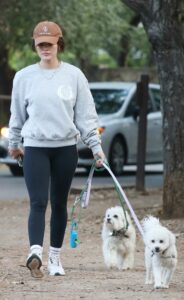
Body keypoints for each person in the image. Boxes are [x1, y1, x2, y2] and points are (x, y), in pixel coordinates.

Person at [8, 20, 105, 278]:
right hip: (35, 147)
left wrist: (96, 148)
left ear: (58, 43)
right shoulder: (24, 76)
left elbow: (86, 116)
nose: (45, 48)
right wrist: (14, 144)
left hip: (65, 148)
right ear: (35, 45)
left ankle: (55, 258)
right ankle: (36, 253)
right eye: (40, 44)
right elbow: (16, 115)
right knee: (38, 201)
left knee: (59, 203)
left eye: (49, 43)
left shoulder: (74, 75)